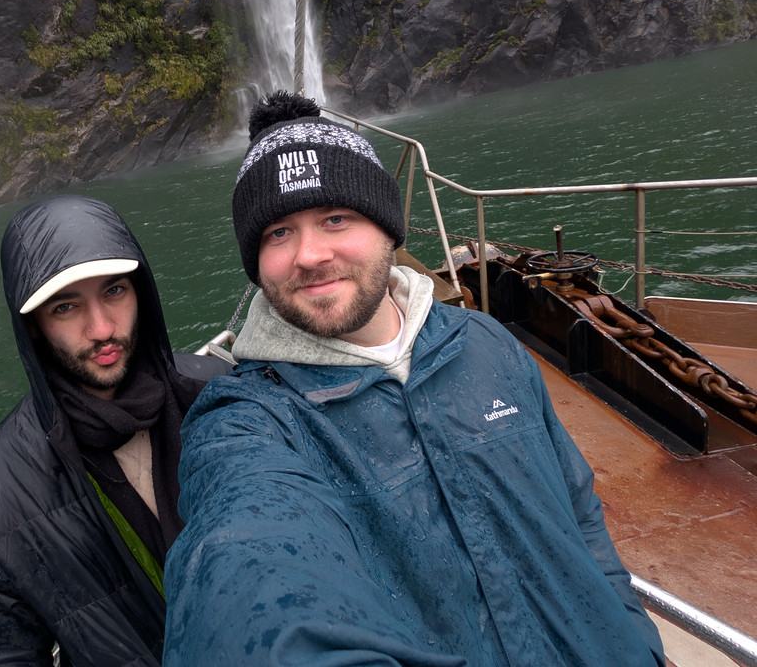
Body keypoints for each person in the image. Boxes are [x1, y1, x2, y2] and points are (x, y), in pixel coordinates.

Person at [161, 91, 666, 667]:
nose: (310, 254)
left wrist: (634, 637)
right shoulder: (248, 423)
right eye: (278, 232)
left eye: (334, 218)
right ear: (256, 260)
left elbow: (577, 511)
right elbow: (245, 565)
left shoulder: (484, 343)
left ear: (387, 228)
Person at [0, 194, 229, 667]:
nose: (102, 328)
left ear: (142, 293)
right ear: (32, 326)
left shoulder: (224, 395)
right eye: (66, 307)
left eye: (114, 291)